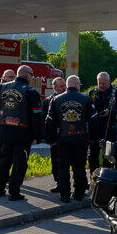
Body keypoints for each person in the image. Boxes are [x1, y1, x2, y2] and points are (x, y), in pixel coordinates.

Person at [0, 65, 42, 200]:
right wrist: (36, 136)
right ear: (28, 74)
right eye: (32, 75)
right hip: (22, 133)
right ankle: (14, 192)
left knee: (3, 161)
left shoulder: (0, 88)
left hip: (3, 130)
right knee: (19, 164)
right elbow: (36, 117)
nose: (32, 77)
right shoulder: (31, 92)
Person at [45, 75, 95, 203]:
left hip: (63, 139)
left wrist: (52, 139)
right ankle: (78, 194)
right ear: (77, 85)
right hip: (80, 139)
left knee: (63, 168)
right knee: (79, 167)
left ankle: (64, 196)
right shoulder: (86, 99)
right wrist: (91, 137)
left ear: (67, 85)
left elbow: (49, 121)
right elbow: (94, 120)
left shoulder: (56, 99)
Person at [42, 76, 67, 193]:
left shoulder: (68, 98)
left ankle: (68, 183)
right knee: (55, 161)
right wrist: (49, 138)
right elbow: (44, 121)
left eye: (64, 85)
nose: (64, 88)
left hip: (68, 135)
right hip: (55, 137)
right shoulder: (47, 101)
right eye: (61, 86)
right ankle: (58, 182)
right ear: (54, 87)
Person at [88, 72, 117, 173]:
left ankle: (107, 175)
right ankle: (93, 175)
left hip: (110, 128)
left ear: (109, 81)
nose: (101, 85)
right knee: (93, 154)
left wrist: (111, 112)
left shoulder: (116, 93)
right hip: (95, 128)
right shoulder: (92, 92)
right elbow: (88, 108)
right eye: (99, 83)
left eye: (104, 83)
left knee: (109, 155)